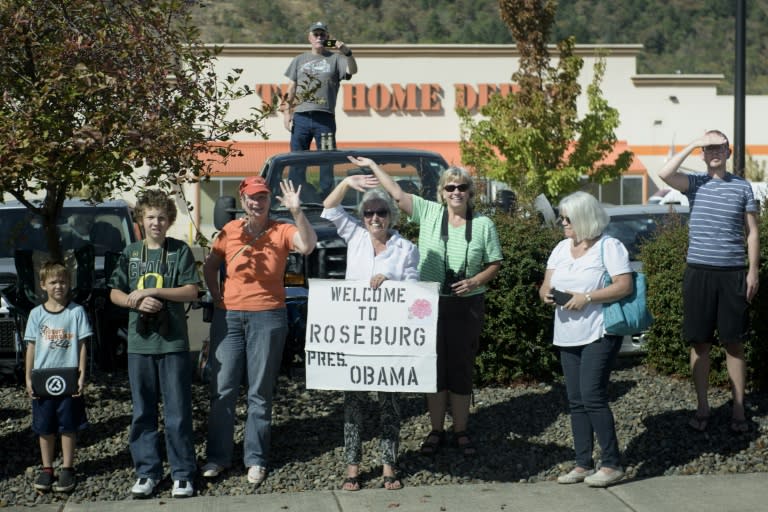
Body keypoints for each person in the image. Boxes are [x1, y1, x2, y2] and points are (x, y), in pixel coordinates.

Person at [348, 155, 502, 457]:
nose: (455, 192)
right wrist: (374, 167)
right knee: (433, 369)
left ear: (470, 192)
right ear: (441, 193)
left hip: (467, 304)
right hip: (428, 303)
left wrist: (474, 281)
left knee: (461, 369)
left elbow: (495, 263)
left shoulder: (483, 225)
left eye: (461, 187)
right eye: (449, 188)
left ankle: (460, 430)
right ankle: (436, 430)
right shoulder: (430, 213)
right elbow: (395, 194)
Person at [201, 176, 317, 486]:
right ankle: (218, 457)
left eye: (262, 196)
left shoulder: (281, 230)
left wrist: (297, 211)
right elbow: (210, 265)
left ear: (269, 200)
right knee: (222, 389)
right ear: (242, 201)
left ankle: (255, 458)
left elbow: (307, 246)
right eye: (252, 197)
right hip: (230, 318)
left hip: (267, 316)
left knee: (260, 393)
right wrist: (216, 295)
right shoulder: (230, 231)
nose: (257, 202)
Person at [321, 174, 419, 491]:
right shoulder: (356, 237)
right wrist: (348, 182)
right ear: (362, 217)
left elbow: (417, 296)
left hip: (388, 339)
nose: (375, 218)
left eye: (381, 212)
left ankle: (389, 465)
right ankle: (353, 467)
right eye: (368, 213)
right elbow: (329, 206)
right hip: (356, 337)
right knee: (353, 405)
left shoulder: (406, 249)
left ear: (392, 214)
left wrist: (393, 285)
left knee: (388, 403)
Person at [657, 130, 759, 434]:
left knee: (734, 343)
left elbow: (752, 232)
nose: (714, 152)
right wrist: (693, 144)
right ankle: (703, 408)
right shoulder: (695, 184)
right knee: (699, 342)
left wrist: (753, 270)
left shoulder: (743, 187)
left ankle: (738, 409)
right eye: (708, 147)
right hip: (698, 272)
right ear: (703, 152)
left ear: (729, 152)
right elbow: (664, 173)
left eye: (719, 147)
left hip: (733, 273)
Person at [108, 190, 200, 499]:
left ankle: (183, 473)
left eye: (161, 217)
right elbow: (115, 292)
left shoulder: (180, 251)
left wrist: (157, 293)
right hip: (139, 344)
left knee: (177, 412)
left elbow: (191, 291)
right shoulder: (131, 253)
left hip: (172, 342)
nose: (156, 223)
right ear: (141, 220)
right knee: (143, 411)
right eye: (150, 217)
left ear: (170, 220)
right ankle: (147, 471)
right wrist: (134, 301)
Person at [539, 191, 632, 488]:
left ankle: (612, 463)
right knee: (576, 401)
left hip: (599, 331)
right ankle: (582, 463)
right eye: (562, 217)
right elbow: (545, 285)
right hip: (567, 333)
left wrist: (587, 297)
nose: (563, 223)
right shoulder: (560, 249)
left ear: (584, 218)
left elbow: (624, 286)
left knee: (592, 396)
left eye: (568, 218)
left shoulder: (609, 246)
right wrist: (548, 296)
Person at [24, 261, 91, 494]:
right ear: (43, 285)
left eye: (63, 281)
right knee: (45, 427)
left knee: (68, 425)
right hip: (43, 379)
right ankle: (47, 468)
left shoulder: (76, 312)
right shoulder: (36, 314)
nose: (58, 286)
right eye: (53, 282)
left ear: (69, 283)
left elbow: (82, 345)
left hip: (69, 377)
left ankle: (68, 468)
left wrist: (82, 375)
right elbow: (31, 348)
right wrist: (28, 378)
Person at [282, 21, 358, 194]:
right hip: (300, 117)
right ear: (309, 37)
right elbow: (291, 88)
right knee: (297, 161)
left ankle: (326, 199)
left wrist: (348, 53)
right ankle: (297, 198)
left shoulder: (336, 59)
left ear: (327, 37)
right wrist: (287, 113)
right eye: (315, 34)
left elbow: (352, 71)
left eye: (322, 34)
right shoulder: (299, 60)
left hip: (324, 119)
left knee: (326, 160)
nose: (319, 37)